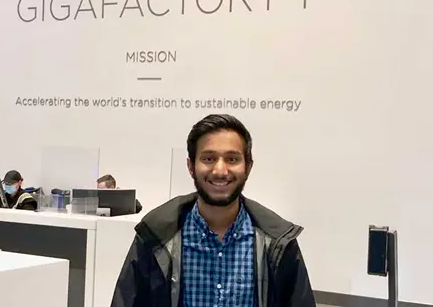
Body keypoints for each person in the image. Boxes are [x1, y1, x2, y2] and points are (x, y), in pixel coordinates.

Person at [110, 114, 315, 307]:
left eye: (232, 159)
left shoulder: (278, 242)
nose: (220, 170)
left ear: (248, 167)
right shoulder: (155, 235)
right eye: (208, 158)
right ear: (191, 166)